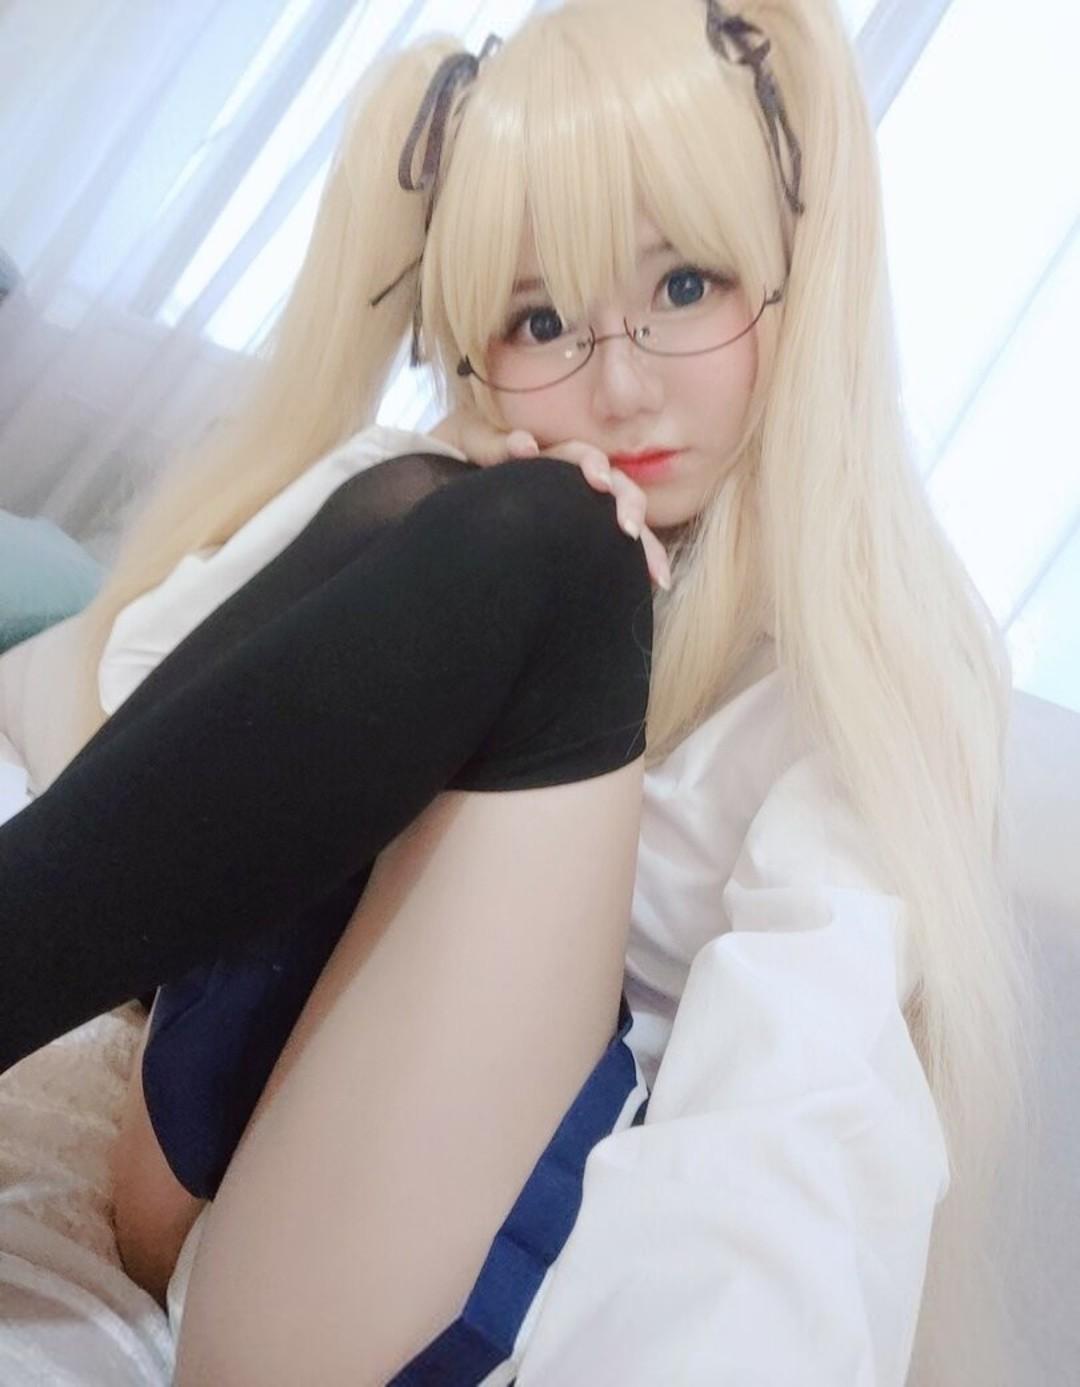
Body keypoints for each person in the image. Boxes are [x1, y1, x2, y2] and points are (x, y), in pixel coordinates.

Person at [0, 0, 1039, 1382]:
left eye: (686, 287)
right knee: (438, 505)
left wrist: (527, 562)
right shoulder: (454, 494)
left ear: (798, 273)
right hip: (192, 1156)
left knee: (559, 554)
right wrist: (440, 540)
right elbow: (126, 718)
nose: (621, 388)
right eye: (543, 320)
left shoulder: (868, 650)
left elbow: (805, 1095)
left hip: (415, 1279)